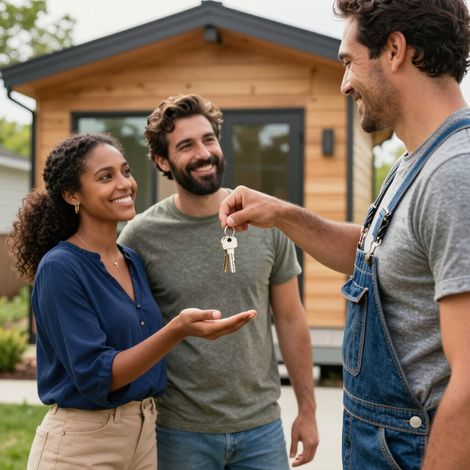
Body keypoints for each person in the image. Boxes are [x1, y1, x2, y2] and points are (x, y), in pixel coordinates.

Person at [219, 1, 470, 469]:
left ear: (394, 49)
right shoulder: (415, 163)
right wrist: (281, 214)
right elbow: (381, 254)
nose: (344, 82)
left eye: (348, 62)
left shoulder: (454, 173)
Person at [9, 133, 255, 470]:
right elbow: (98, 374)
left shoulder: (131, 259)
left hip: (142, 436)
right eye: (106, 177)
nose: (125, 184)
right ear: (72, 194)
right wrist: (177, 330)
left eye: (125, 171)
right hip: (82, 446)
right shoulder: (60, 268)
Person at [118, 93, 318, 469]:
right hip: (179, 431)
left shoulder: (264, 220)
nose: (204, 153)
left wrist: (307, 410)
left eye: (209, 139)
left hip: (261, 426)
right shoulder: (139, 236)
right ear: (162, 160)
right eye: (186, 145)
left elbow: (291, 318)